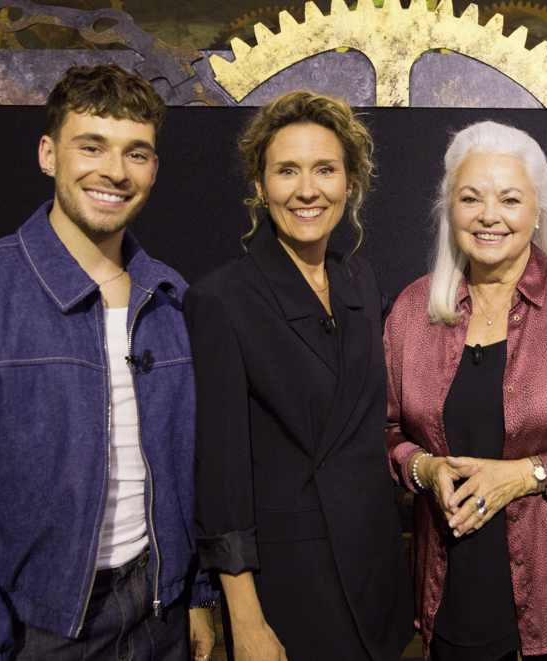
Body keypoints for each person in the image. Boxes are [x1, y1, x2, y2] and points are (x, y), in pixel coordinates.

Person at [0, 64, 216, 660]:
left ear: (155, 168)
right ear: (48, 154)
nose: (114, 171)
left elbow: (185, 468)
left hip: (157, 619)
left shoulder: (173, 299)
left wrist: (194, 594)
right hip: (28, 632)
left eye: (135, 153)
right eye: (91, 146)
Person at [384, 120, 547, 661]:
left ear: (537, 211)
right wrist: (424, 468)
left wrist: (530, 475)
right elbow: (388, 431)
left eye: (510, 198)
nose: (489, 215)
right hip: (455, 590)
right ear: (449, 209)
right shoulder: (412, 311)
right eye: (470, 198)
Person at [182, 90, 413, 661]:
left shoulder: (361, 281)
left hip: (376, 577)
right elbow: (222, 479)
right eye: (287, 171)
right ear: (260, 187)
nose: (307, 190)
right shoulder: (220, 301)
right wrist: (247, 621)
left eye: (325, 170)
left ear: (350, 183)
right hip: (290, 591)